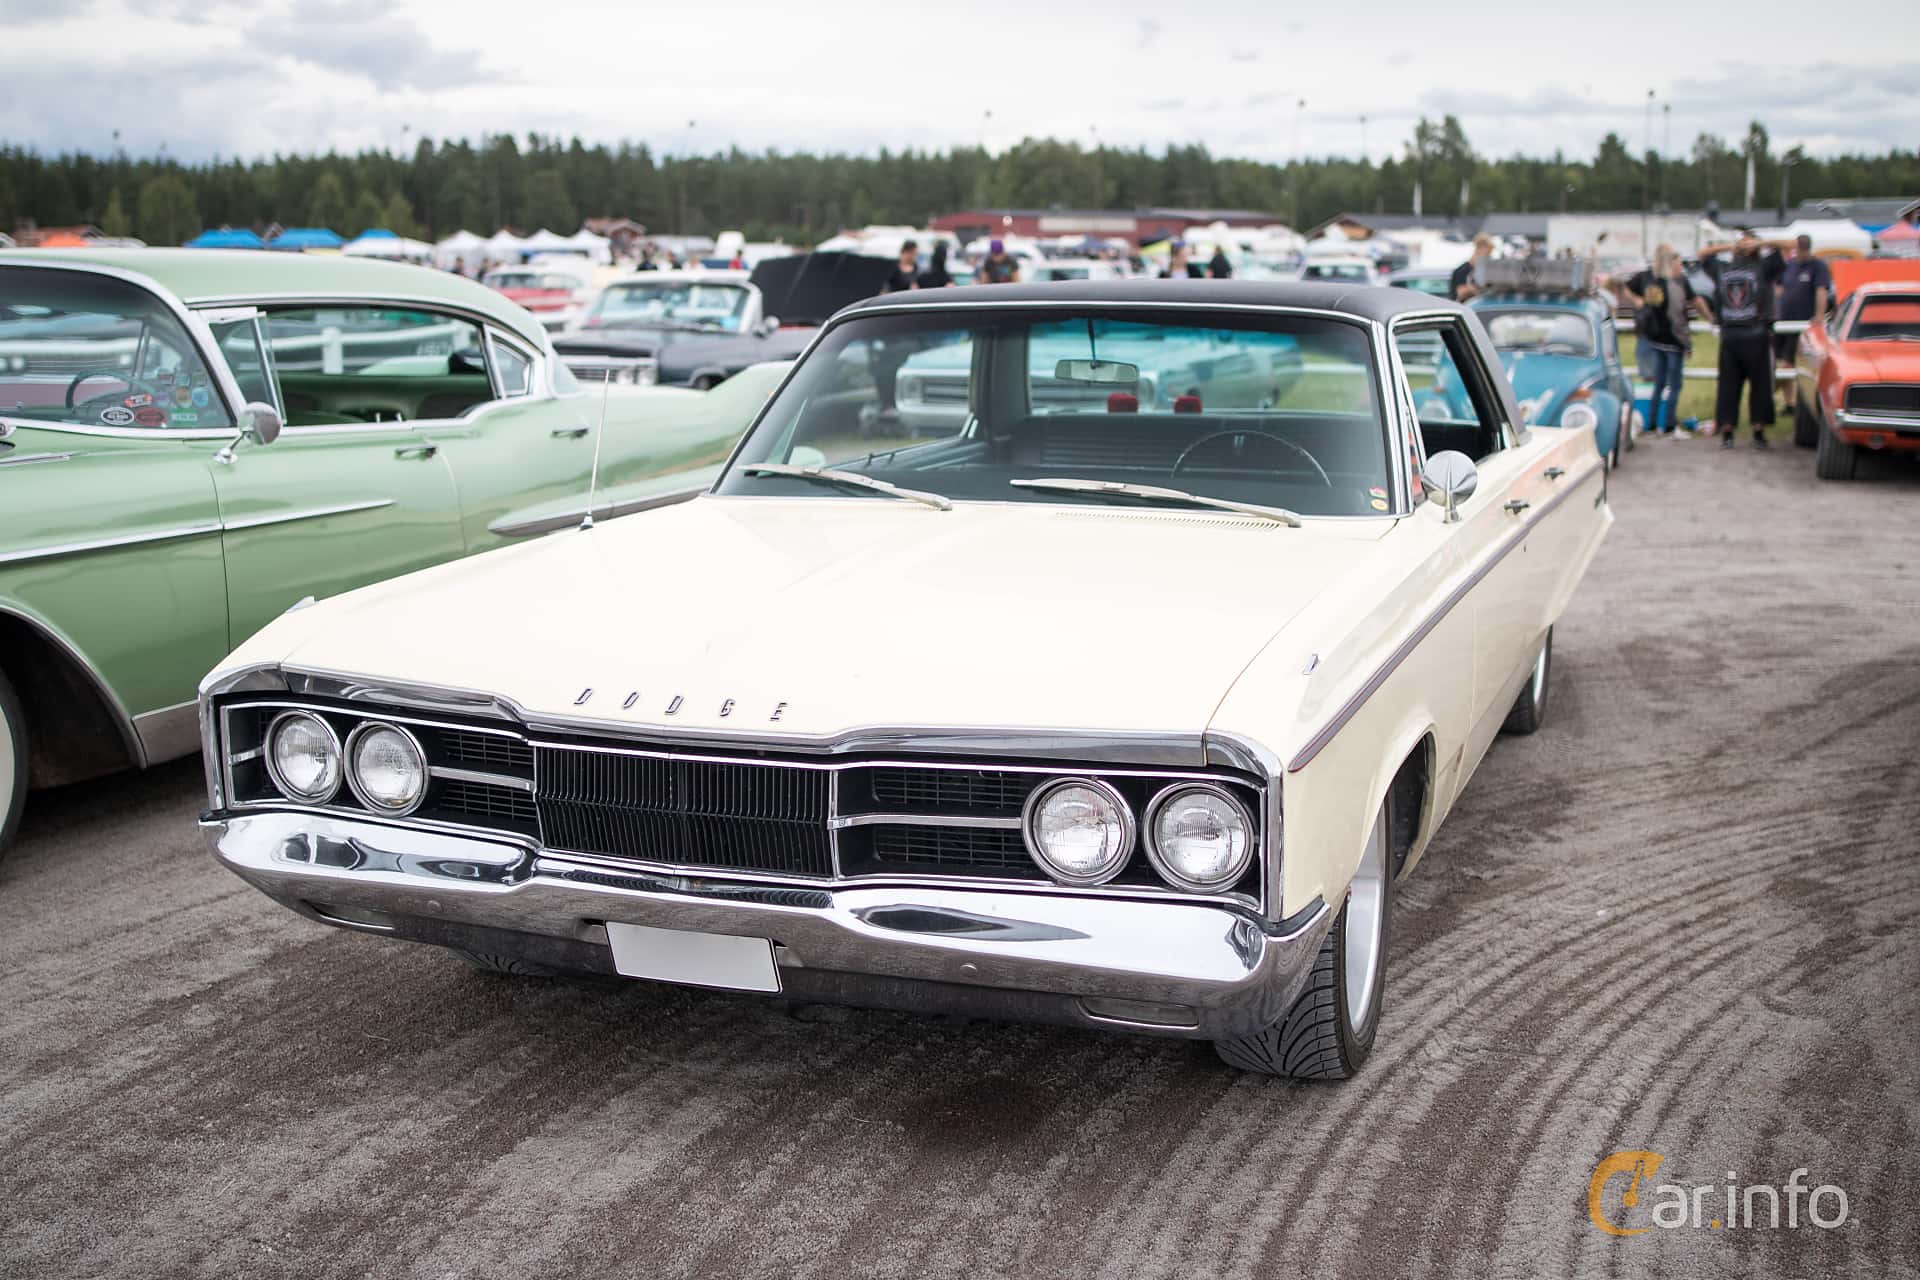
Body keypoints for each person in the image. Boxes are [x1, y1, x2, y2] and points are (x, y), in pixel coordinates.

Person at [1703, 228, 1786, 449]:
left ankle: (1758, 430)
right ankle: (1727, 430)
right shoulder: (1723, 267)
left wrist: (1759, 244)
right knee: (1729, 385)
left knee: (1759, 385)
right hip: (1732, 333)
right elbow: (1702, 254)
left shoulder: (1763, 267)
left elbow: (1792, 245)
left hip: (1756, 331)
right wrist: (1730, 246)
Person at [1622, 245, 1713, 436]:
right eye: (1679, 263)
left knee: (1659, 384)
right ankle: (1669, 423)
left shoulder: (1652, 282)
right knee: (1674, 385)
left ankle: (1652, 424)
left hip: (1655, 339)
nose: (1682, 267)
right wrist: (1687, 343)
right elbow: (1677, 318)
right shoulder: (1674, 285)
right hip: (1672, 341)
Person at [1773, 234, 1831, 407]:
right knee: (1782, 361)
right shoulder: (1789, 265)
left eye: (1801, 251)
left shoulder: (1817, 266)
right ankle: (1789, 402)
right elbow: (1778, 286)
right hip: (1783, 320)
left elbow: (1821, 290)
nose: (1798, 254)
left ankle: (1767, 394)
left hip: (1801, 323)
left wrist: (1819, 315)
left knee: (1787, 363)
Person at [1450, 234, 1494, 302]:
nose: (1489, 257)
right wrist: (1478, 289)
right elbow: (1461, 293)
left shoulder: (1483, 270)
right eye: (1487, 253)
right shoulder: (1463, 270)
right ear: (1479, 249)